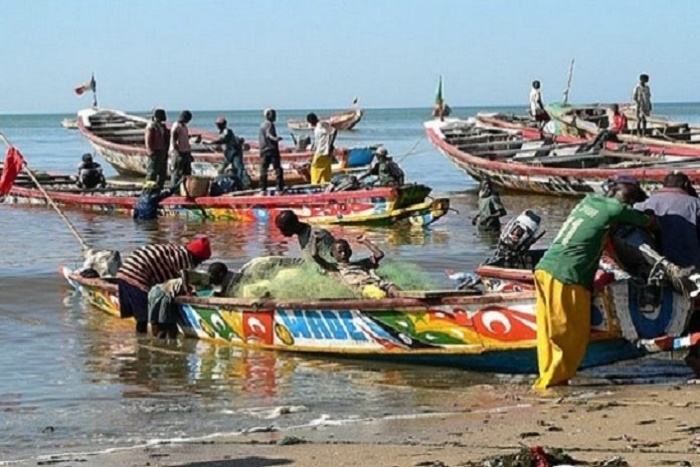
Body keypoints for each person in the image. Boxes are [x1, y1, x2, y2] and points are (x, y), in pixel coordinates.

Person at [533, 175, 653, 389]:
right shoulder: (616, 209)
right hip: (567, 275)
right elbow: (650, 222)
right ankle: (552, 382)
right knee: (572, 335)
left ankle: (549, 377)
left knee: (549, 331)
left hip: (546, 269)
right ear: (627, 198)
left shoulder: (588, 201)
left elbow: (601, 240)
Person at [635, 171, 700, 376]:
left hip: (653, 273)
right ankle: (694, 354)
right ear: (686, 185)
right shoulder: (695, 205)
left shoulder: (643, 205)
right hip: (691, 272)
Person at [115, 236, 212, 334]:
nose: (200, 263)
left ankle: (142, 339)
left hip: (126, 270)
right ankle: (143, 343)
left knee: (142, 315)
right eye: (201, 261)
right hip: (136, 274)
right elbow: (175, 283)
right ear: (197, 257)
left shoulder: (178, 250)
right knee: (144, 316)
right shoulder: (185, 259)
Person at [311, 234, 400, 299]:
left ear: (350, 252)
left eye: (346, 250)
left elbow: (379, 254)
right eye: (340, 251)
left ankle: (409, 307)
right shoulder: (333, 267)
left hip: (376, 282)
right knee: (379, 294)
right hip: (362, 287)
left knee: (394, 289)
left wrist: (365, 241)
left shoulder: (361, 263)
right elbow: (315, 255)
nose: (344, 253)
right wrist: (314, 241)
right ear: (332, 254)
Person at [206, 116, 252, 189]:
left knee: (239, 168)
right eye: (217, 124)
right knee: (223, 168)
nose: (218, 126)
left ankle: (242, 184)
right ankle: (219, 181)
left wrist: (212, 142)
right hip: (228, 154)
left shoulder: (227, 131)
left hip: (235, 152)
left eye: (219, 124)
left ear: (224, 124)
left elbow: (224, 140)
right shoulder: (221, 132)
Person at [258, 108, 284, 195]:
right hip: (271, 150)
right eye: (273, 114)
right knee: (278, 169)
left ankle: (263, 189)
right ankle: (279, 189)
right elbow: (269, 135)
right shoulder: (270, 124)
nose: (275, 116)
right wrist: (276, 139)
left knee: (263, 170)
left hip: (263, 150)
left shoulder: (262, 125)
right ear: (268, 115)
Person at [306, 112, 337, 185]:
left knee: (314, 168)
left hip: (323, 151)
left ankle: (315, 184)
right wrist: (313, 147)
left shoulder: (321, 124)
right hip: (322, 150)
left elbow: (334, 131)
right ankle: (324, 184)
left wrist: (330, 145)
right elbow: (319, 139)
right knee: (325, 169)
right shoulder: (317, 127)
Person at [144, 108, 169, 188]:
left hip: (162, 150)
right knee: (152, 172)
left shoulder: (162, 126)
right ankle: (149, 189)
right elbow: (148, 140)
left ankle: (159, 188)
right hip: (155, 151)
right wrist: (150, 151)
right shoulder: (151, 126)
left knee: (162, 172)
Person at [170, 110, 194, 189]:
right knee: (177, 173)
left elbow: (185, 138)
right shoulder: (177, 126)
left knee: (187, 172)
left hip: (186, 151)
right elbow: (174, 140)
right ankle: (174, 190)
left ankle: (185, 189)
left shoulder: (184, 126)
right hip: (179, 152)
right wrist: (177, 150)